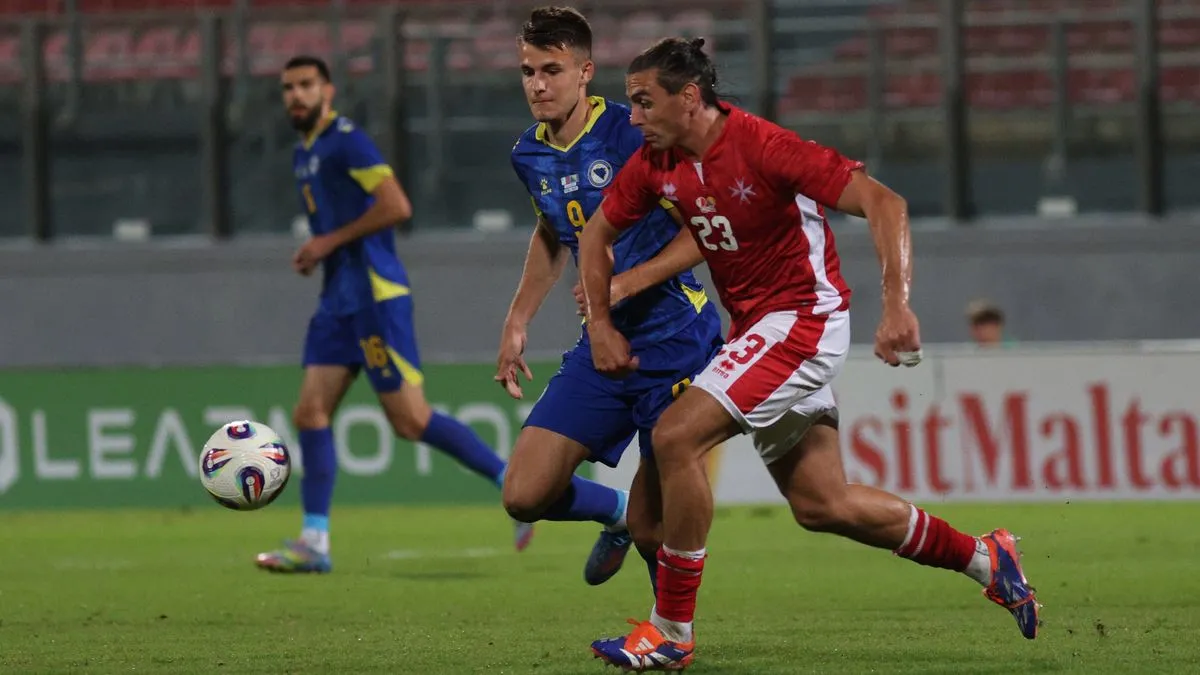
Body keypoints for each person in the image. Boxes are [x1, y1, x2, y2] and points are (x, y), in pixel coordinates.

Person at [578, 38, 1041, 670]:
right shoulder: (660, 163)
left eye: (642, 102)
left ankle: (671, 633)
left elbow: (886, 203)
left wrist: (897, 305)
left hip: (803, 320)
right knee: (823, 504)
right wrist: (602, 321)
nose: (632, 117)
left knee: (676, 436)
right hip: (758, 333)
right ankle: (987, 556)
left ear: (689, 97)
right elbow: (599, 231)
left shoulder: (765, 146)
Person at [256, 55, 530, 574]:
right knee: (310, 413)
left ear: (328, 90)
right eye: (288, 87)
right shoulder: (304, 151)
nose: (296, 95)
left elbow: (396, 205)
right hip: (338, 299)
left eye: (306, 85)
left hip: (374, 297)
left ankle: (510, 481)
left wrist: (327, 242)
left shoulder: (346, 140)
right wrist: (322, 252)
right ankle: (314, 541)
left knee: (410, 421)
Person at [498, 7, 723, 587]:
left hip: (674, 337)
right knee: (523, 495)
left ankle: (669, 636)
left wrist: (628, 281)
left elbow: (704, 228)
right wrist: (518, 319)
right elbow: (554, 232)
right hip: (600, 343)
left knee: (658, 531)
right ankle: (615, 513)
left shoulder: (634, 134)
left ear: (585, 72)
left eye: (552, 69)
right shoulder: (529, 153)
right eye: (528, 71)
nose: (538, 84)